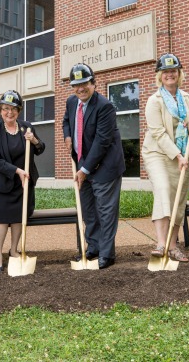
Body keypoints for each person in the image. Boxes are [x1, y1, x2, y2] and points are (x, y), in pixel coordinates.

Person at [62, 63, 125, 269]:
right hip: (82, 163)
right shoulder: (72, 102)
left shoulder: (104, 106)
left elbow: (102, 142)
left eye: (84, 83)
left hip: (105, 166)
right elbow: (66, 121)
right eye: (76, 84)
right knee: (88, 209)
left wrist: (84, 170)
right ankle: (93, 247)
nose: (80, 88)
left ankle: (107, 254)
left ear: (93, 83)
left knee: (105, 211)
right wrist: (68, 135)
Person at [142, 54, 189, 262]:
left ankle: (173, 246)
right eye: (165, 72)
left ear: (179, 73)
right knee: (164, 189)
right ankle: (160, 244)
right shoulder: (154, 101)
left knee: (178, 197)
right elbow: (158, 133)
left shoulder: (188, 99)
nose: (169, 74)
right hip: (158, 153)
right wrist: (176, 155)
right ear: (160, 75)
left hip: (182, 154)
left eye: (173, 71)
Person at [0, 90, 45, 272]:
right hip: (1, 184)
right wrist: (16, 170)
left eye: (13, 109)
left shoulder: (26, 127)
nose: (9, 113)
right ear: (0, 110)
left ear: (19, 110)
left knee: (19, 217)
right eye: (5, 109)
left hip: (23, 182)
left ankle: (13, 250)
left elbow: (41, 148)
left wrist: (33, 139)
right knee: (2, 219)